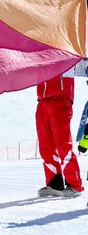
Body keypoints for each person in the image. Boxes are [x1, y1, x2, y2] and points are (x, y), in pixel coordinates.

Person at [36, 70, 84, 198]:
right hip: (42, 100)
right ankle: (55, 184)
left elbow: (76, 59)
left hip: (60, 98)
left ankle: (74, 185)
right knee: (46, 148)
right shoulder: (40, 51)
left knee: (63, 146)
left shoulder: (67, 50)